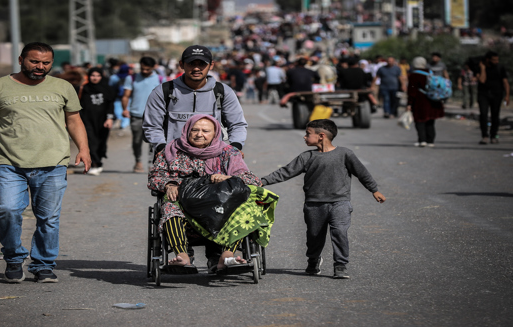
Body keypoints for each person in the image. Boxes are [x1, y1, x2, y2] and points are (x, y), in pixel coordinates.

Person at [0, 42, 91, 283]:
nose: (40, 67)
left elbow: (74, 120)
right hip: (9, 163)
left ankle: (43, 264)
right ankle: (14, 259)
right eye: (34, 61)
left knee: (48, 218)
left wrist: (84, 149)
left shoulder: (62, 87)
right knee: (7, 210)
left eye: (46, 63)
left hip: (53, 163)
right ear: (21, 60)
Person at [260, 119, 385, 278]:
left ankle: (340, 264)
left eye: (307, 134)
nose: (304, 137)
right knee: (314, 236)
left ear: (321, 136)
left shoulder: (345, 154)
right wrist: (262, 181)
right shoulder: (307, 157)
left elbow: (362, 173)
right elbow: (285, 172)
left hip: (340, 203)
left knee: (339, 231)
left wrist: (374, 190)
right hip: (314, 205)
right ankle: (313, 260)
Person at [148, 115, 265, 272]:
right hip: (184, 206)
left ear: (215, 133)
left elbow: (252, 180)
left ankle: (226, 256)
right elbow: (155, 176)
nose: (199, 134)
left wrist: (228, 177)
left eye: (205, 130)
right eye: (195, 130)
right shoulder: (171, 150)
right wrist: (168, 184)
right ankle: (183, 258)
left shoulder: (229, 153)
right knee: (169, 206)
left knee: (245, 207)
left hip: (220, 207)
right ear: (187, 131)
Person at [143, 45, 248, 156]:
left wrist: (235, 147)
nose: (196, 68)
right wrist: (161, 148)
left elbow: (237, 124)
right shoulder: (163, 91)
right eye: (191, 64)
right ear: (181, 65)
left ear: (211, 65)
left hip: (213, 159)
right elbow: (152, 126)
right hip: (172, 158)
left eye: (202, 64)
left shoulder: (223, 92)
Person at [122, 57, 163, 172]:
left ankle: (151, 163)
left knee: (154, 141)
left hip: (155, 116)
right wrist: (125, 109)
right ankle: (138, 161)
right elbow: (126, 95)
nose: (144, 71)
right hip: (136, 115)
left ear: (153, 67)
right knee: (136, 140)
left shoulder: (160, 79)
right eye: (143, 69)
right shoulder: (132, 78)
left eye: (147, 69)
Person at [80, 67, 116, 175]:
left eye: (97, 76)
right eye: (92, 75)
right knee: (91, 141)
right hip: (87, 120)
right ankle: (95, 163)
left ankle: (98, 161)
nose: (95, 78)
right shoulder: (84, 88)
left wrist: (110, 118)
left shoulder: (107, 89)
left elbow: (110, 104)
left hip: (103, 121)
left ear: (101, 76)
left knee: (101, 142)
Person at [407, 57, 445, 147]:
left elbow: (412, 91)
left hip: (420, 101)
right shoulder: (431, 73)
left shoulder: (413, 75)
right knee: (430, 121)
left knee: (420, 121)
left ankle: (422, 140)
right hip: (433, 101)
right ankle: (430, 141)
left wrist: (409, 103)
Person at [476, 51, 510, 145]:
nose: (496, 61)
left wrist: (507, 96)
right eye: (494, 60)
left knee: (495, 115)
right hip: (483, 94)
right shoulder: (480, 67)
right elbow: (482, 80)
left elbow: (505, 82)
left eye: (497, 59)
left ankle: (494, 135)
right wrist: (483, 68)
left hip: (497, 94)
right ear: (488, 60)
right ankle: (485, 136)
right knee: (483, 114)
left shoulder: (500, 68)